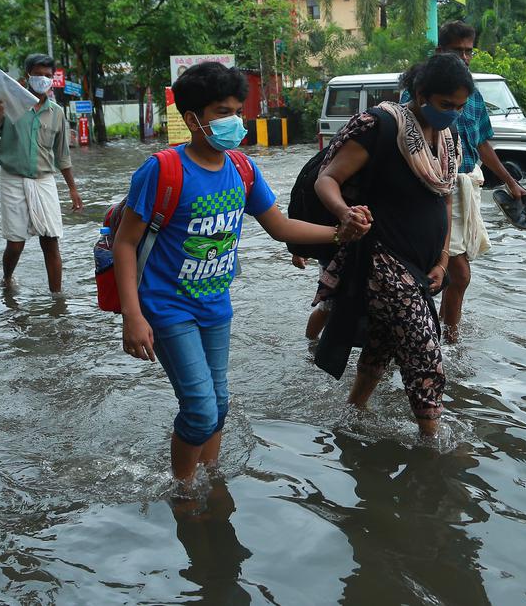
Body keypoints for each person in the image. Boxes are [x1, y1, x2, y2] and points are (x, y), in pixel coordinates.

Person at [113, 62, 370, 483]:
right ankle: (182, 489)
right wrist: (133, 315)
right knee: (199, 407)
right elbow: (125, 243)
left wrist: (340, 233)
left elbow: (281, 227)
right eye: (220, 111)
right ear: (191, 117)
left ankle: (210, 478)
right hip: (166, 307)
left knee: (220, 402)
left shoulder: (242, 169)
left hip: (216, 307)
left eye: (236, 109)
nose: (233, 120)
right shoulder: (162, 170)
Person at [315, 53, 472, 437]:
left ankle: (351, 414)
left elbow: (444, 199)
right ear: (420, 94)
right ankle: (432, 442)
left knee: (383, 344)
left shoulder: (448, 140)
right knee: (423, 346)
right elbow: (326, 180)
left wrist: (441, 260)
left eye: (459, 107)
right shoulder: (381, 126)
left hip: (421, 263)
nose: (452, 114)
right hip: (378, 257)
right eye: (445, 105)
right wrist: (345, 213)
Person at [402, 21, 526, 343]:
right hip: (433, 185)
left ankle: (443, 335)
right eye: (457, 50)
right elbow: (409, 143)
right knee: (458, 273)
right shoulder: (421, 90)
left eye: (468, 51)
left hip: (466, 185)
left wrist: (511, 182)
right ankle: (448, 344)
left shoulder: (470, 95)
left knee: (456, 273)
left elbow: (483, 143)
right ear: (440, 50)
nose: (464, 57)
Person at [0, 53, 83, 292]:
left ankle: (57, 300)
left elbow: (62, 156)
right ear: (27, 76)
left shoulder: (56, 113)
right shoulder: (7, 106)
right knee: (15, 244)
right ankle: (7, 279)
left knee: (50, 241)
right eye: (38, 75)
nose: (43, 80)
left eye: (48, 76)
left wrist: (72, 188)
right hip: (13, 179)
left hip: (44, 180)